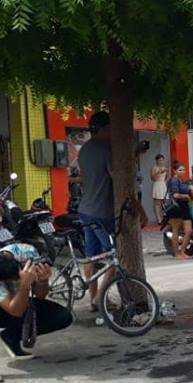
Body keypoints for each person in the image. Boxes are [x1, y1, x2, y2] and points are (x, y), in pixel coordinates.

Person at [0, 244, 73, 383]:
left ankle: (10, 337)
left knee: (62, 316)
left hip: (16, 301)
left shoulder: (27, 253)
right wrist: (24, 284)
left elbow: (40, 295)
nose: (13, 282)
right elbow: (15, 311)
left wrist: (43, 280)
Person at [77, 111, 118, 311]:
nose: (112, 133)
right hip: (102, 211)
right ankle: (99, 298)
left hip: (85, 209)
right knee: (116, 256)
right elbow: (116, 175)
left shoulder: (84, 150)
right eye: (109, 129)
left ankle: (93, 298)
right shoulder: (106, 150)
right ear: (102, 129)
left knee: (91, 256)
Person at [166, 162, 193, 260]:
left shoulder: (181, 181)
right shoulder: (173, 180)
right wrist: (185, 196)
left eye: (183, 170)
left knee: (188, 231)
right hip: (176, 207)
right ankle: (177, 254)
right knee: (176, 231)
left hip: (185, 207)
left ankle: (183, 251)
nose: (182, 172)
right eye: (180, 170)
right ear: (174, 171)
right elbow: (175, 195)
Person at [150, 154, 169, 224]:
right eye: (160, 160)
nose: (161, 162)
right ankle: (159, 219)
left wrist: (166, 172)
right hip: (157, 184)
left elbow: (166, 177)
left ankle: (165, 217)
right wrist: (159, 172)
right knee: (157, 203)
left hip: (163, 184)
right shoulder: (154, 168)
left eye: (162, 160)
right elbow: (152, 178)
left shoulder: (164, 168)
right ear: (156, 161)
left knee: (164, 202)